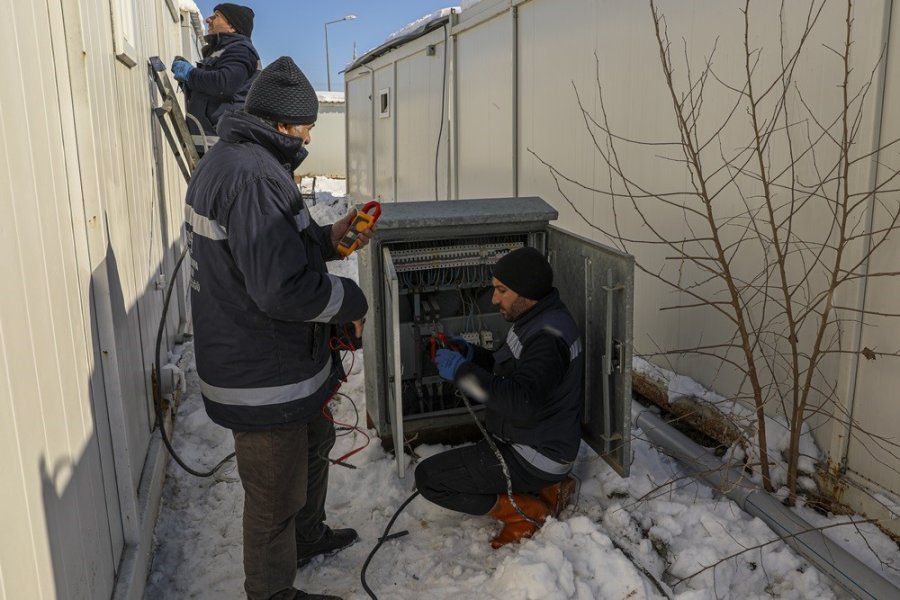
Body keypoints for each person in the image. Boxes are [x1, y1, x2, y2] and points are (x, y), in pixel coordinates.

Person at [184, 56, 371, 600]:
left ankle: (306, 536)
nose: (312, 134)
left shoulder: (244, 161)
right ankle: (272, 592)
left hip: (275, 359)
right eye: (308, 124)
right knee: (273, 493)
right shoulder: (254, 177)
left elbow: (268, 250)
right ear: (283, 123)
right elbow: (280, 290)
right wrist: (349, 300)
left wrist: (324, 237)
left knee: (316, 439)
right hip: (261, 371)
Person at [414, 247, 582, 549]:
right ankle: (548, 489)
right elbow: (508, 369)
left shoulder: (547, 338)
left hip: (537, 454)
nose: (494, 299)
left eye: (501, 290)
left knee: (428, 478)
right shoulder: (537, 318)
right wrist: (471, 356)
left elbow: (520, 404)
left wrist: (463, 375)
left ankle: (524, 513)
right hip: (538, 440)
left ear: (527, 292)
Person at [171, 3, 261, 154]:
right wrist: (191, 83)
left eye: (216, 16)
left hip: (225, 146)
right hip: (214, 143)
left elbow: (224, 83)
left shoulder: (239, 50)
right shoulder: (222, 50)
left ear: (232, 26)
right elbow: (213, 89)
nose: (208, 19)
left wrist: (190, 74)